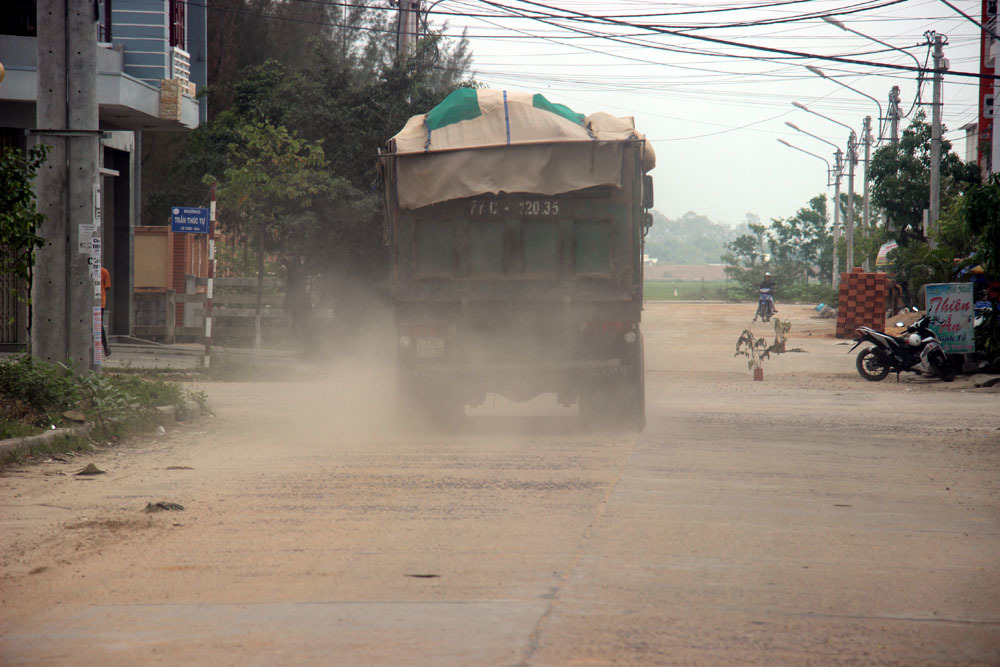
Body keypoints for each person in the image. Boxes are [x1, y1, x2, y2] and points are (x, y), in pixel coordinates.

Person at [100, 266, 111, 357]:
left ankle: (105, 345)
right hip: (99, 302)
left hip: (99, 302)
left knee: (98, 324)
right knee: (99, 325)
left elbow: (107, 287)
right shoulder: (104, 271)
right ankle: (105, 346)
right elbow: (107, 287)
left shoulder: (104, 272)